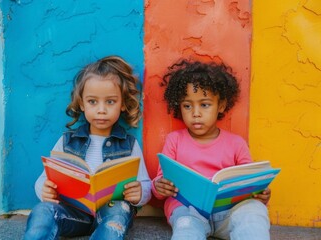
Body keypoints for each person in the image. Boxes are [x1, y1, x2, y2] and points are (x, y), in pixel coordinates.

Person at [24, 56, 151, 240]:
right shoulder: (67, 141)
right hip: (73, 213)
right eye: (93, 102)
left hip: (111, 212)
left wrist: (139, 193)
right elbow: (45, 178)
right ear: (82, 103)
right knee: (42, 210)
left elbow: (145, 184)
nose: (101, 110)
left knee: (118, 210)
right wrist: (44, 189)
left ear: (122, 104)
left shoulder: (129, 144)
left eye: (110, 102)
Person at [152, 60, 272, 240]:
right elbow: (161, 185)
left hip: (229, 212)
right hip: (189, 211)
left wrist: (259, 193)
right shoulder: (174, 140)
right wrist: (160, 186)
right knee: (186, 229)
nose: (196, 113)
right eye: (187, 105)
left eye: (204, 104)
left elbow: (249, 180)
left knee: (254, 211)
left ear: (221, 106)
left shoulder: (236, 143)